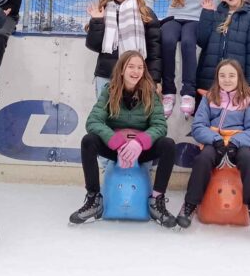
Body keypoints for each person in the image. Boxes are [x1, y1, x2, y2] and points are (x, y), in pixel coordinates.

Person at [69, 51, 178, 228]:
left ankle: (157, 201)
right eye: (131, 67)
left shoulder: (151, 93)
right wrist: (116, 141)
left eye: (140, 67)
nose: (136, 71)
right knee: (89, 141)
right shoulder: (110, 91)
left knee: (168, 145)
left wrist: (139, 143)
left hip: (140, 150)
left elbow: (160, 126)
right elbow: (93, 121)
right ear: (121, 69)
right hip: (116, 148)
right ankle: (94, 199)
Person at [177, 59, 250, 236]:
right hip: (214, 142)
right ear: (217, 78)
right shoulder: (210, 97)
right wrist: (216, 140)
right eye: (222, 75)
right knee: (202, 159)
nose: (227, 79)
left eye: (231, 75)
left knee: (248, 160)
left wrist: (236, 142)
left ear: (239, 77)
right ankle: (190, 204)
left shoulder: (249, 99)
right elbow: (198, 126)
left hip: (238, 142)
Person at [142, 0, 220, 118]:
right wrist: (149, 15)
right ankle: (168, 92)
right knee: (167, 41)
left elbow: (217, 2)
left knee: (187, 43)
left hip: (195, 20)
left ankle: (188, 93)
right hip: (175, 18)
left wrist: (210, 16)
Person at [85, 0, 162, 95]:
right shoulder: (102, 12)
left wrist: (154, 79)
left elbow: (155, 50)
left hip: (137, 77)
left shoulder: (145, 12)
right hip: (107, 75)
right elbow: (93, 46)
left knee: (134, 114)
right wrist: (97, 21)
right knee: (104, 114)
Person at [195, 0, 250, 95]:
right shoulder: (215, 15)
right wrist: (206, 14)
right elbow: (201, 41)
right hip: (209, 80)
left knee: (232, 112)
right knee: (208, 113)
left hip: (236, 80)